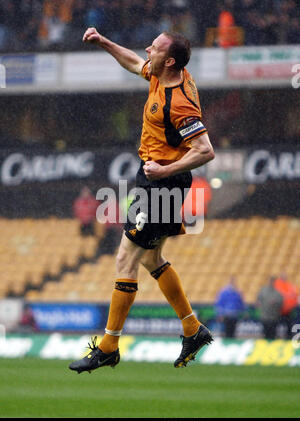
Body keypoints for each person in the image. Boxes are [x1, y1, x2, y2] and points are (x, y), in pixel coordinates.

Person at [69, 27, 215, 374]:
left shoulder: (178, 103)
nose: (147, 47)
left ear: (169, 61)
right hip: (152, 176)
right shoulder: (161, 73)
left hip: (162, 182)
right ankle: (193, 329)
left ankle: (108, 345)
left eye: (156, 46)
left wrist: (165, 173)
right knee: (151, 258)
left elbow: (205, 150)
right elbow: (135, 63)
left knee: (125, 257)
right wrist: (105, 41)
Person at [274, 274, 299, 339]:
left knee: (288, 325)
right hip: (280, 310)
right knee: (278, 325)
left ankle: (288, 337)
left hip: (288, 310)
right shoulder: (278, 285)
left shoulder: (288, 286)